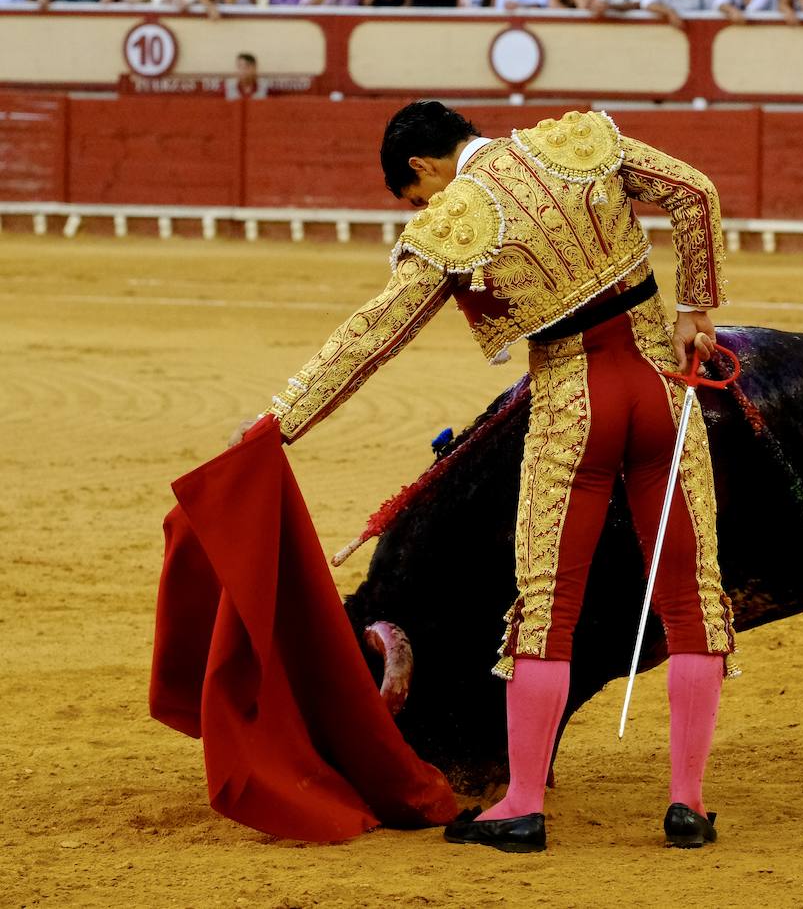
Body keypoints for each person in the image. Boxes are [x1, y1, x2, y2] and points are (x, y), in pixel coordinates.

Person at [228, 102, 738, 852]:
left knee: (547, 608)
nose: (425, 208)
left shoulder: (453, 219)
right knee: (691, 599)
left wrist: (280, 421)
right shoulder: (575, 143)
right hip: (663, 382)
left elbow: (371, 337)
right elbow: (695, 192)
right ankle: (688, 808)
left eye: (416, 196)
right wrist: (696, 307)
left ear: (423, 169)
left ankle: (522, 806)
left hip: (573, 403)